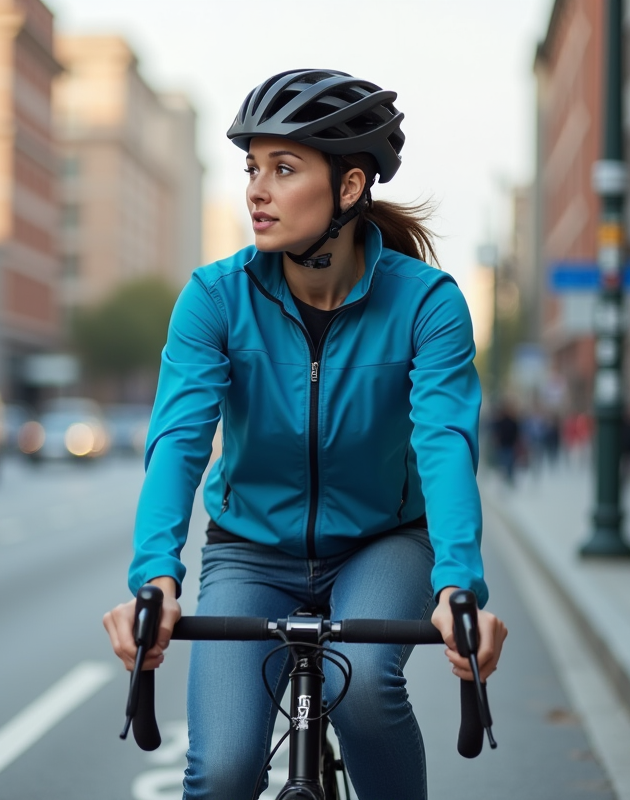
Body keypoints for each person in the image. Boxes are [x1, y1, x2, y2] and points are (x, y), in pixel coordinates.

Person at [103, 69, 507, 800]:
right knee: (222, 769)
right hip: (249, 550)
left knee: (363, 691)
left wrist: (457, 588)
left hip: (382, 541)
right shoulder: (214, 299)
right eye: (252, 167)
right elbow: (179, 443)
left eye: (283, 169)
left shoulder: (428, 305)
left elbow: (445, 444)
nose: (256, 189)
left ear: (350, 187)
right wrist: (154, 577)